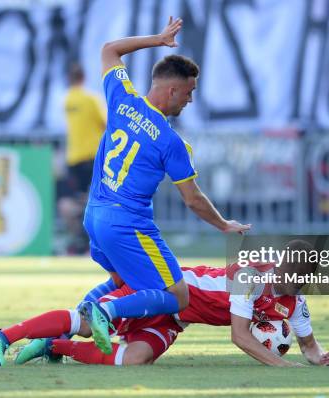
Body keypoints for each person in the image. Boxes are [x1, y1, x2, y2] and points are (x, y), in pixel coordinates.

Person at [77, 16, 251, 355]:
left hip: (94, 216)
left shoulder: (122, 99)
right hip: (127, 224)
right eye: (189, 92)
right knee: (177, 296)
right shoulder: (172, 143)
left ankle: (58, 333)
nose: (189, 100)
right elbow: (193, 199)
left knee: (119, 282)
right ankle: (105, 312)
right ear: (172, 90)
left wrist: (158, 39)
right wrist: (223, 225)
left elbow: (110, 50)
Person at [0, 242, 329, 367]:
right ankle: (2, 334)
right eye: (286, 267)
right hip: (166, 290)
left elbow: (308, 345)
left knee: (136, 359)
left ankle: (53, 346)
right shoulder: (251, 278)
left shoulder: (294, 301)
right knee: (88, 324)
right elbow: (240, 337)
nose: (286, 275)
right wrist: (281, 367)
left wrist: (318, 357)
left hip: (176, 319)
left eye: (296, 275)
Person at [59, 63, 107, 253]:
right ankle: (87, 241)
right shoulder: (91, 99)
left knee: (73, 200)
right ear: (84, 78)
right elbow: (106, 124)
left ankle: (78, 238)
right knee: (92, 200)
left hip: (73, 157)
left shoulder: (67, 100)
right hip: (92, 157)